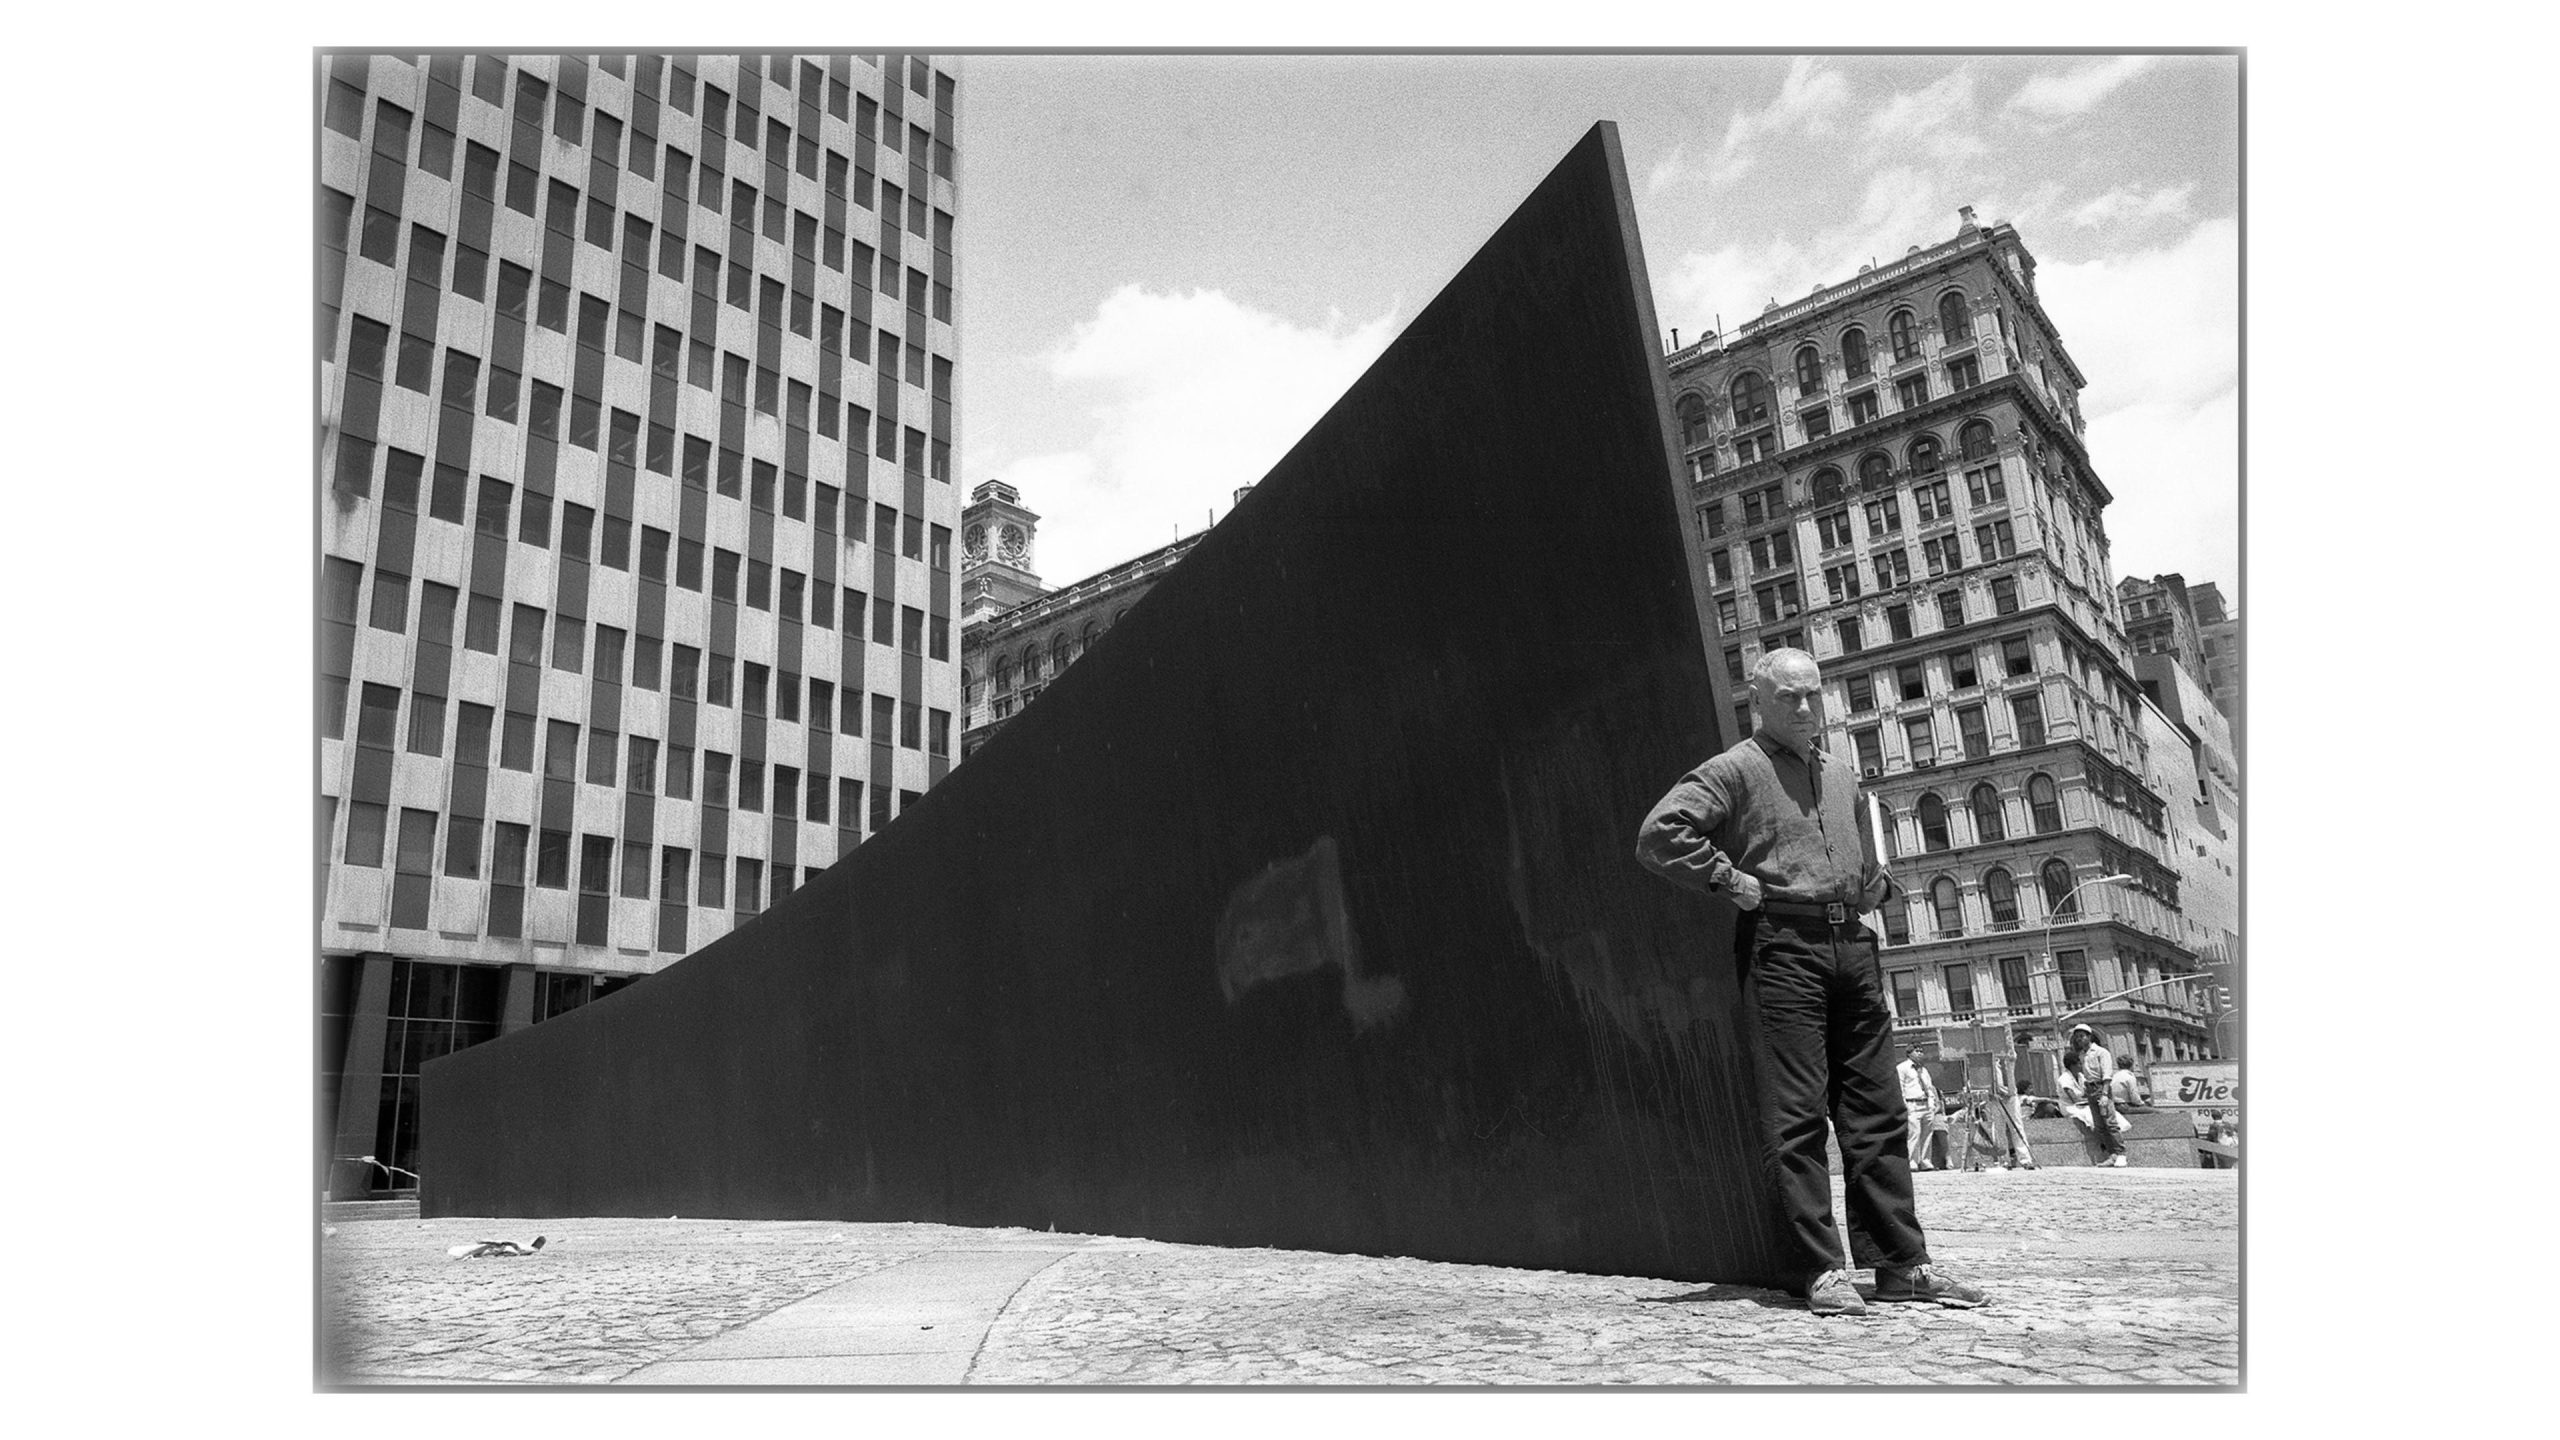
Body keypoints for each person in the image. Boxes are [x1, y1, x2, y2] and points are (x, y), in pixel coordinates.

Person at [1638, 648, 1986, 1317]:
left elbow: (1864, 851)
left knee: (1878, 1113)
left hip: (1852, 943)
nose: (1803, 708)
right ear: (1758, 699)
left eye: (1812, 695)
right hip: (1783, 943)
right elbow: (1660, 832)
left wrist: (1873, 886)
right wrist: (1726, 877)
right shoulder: (1735, 768)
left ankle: (1901, 1266)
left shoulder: (1842, 773)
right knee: (1796, 1117)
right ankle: (1820, 1270)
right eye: (1788, 696)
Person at [2062, 1023, 2129, 1167]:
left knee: (2110, 1122)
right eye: (2077, 1037)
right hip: (2090, 1090)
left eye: (2082, 1036)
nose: (2079, 1039)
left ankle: (2121, 1153)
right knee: (2099, 1125)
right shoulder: (2082, 1055)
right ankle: (2112, 1155)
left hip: (2101, 1088)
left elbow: (2107, 1074)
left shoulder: (2101, 1052)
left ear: (2089, 1037)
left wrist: (2105, 1094)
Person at [1897, 1045, 1947, 1172]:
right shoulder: (1902, 1068)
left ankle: (1925, 1161)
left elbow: (1929, 1087)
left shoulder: (1923, 1070)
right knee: (1914, 1134)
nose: (1920, 1053)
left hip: (1926, 1105)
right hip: (1912, 1104)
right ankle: (1912, 1162)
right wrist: (1904, 1105)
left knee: (1927, 1134)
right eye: (1917, 1051)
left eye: (1921, 1051)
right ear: (1909, 1053)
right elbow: (1900, 1088)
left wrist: (1931, 1103)